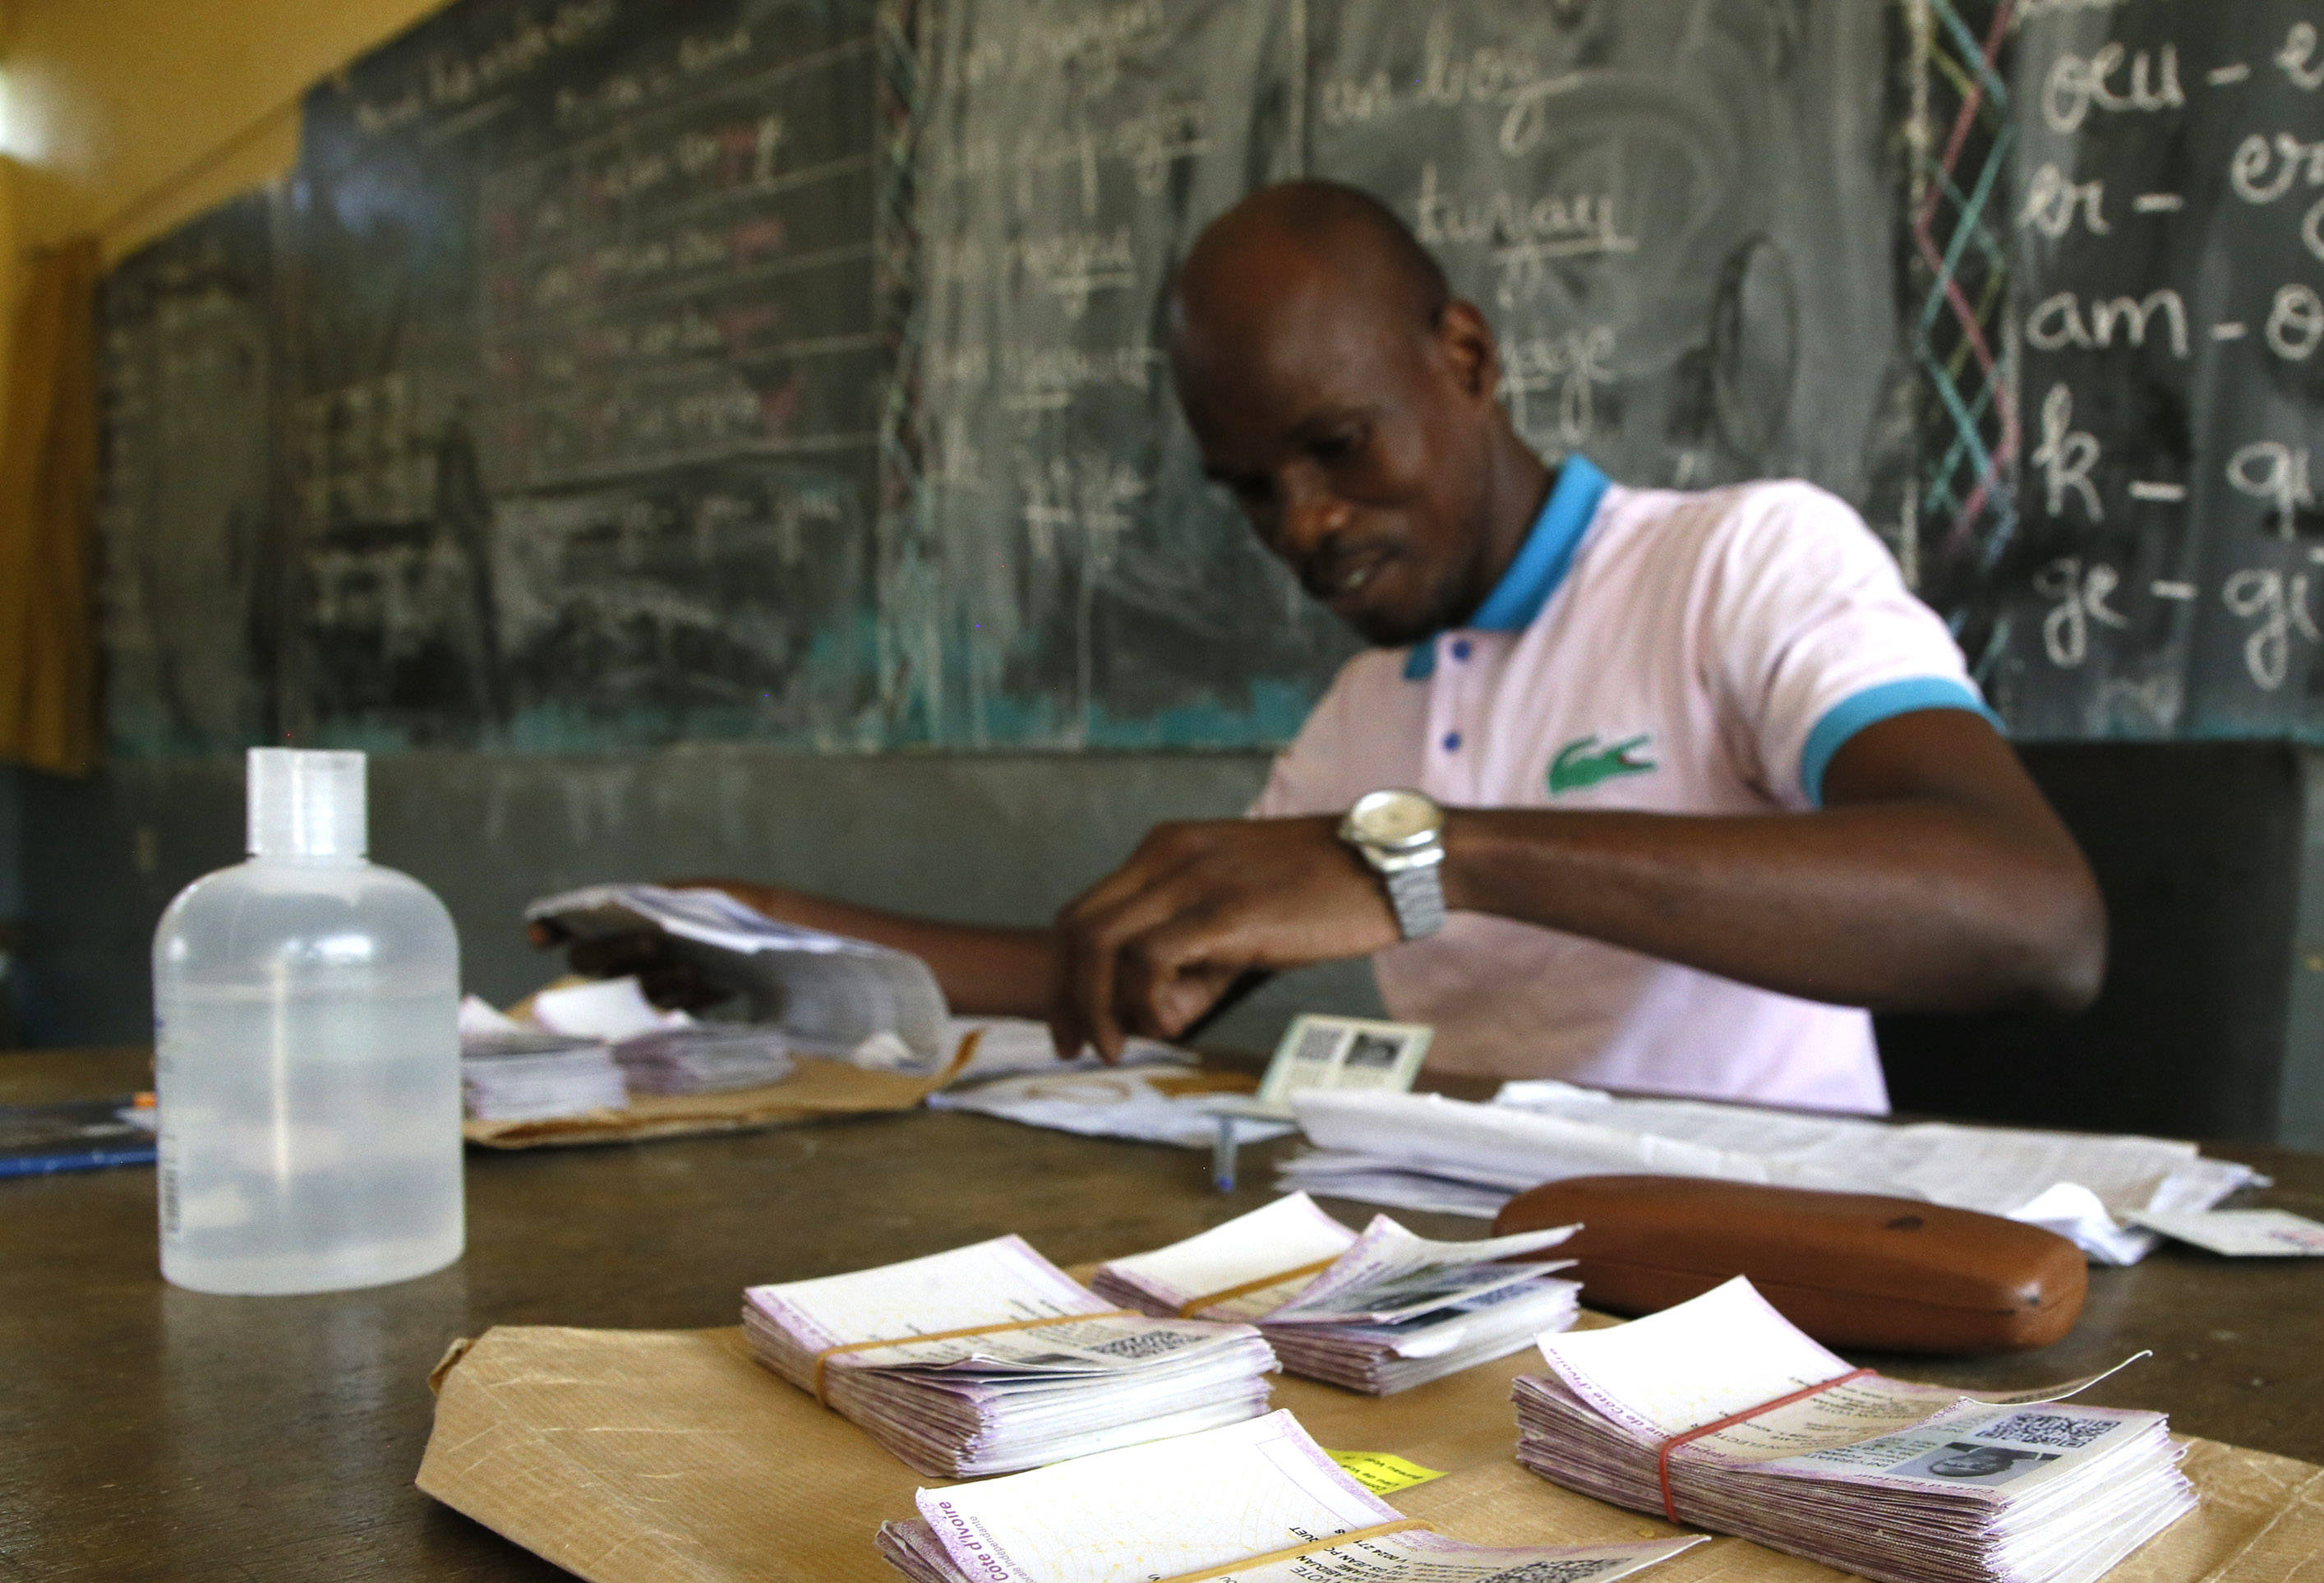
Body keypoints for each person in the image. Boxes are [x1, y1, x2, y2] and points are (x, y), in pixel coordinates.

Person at [574, 180, 2104, 1114]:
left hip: (1772, 1270)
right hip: (1472, 1271)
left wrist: (1423, 857)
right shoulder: (1367, 711)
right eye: (1252, 488)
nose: (1303, 525)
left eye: (1336, 446)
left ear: (1468, 358)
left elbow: (2033, 918)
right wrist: (762, 929)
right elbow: (1121, 979)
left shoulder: (1737, 563)